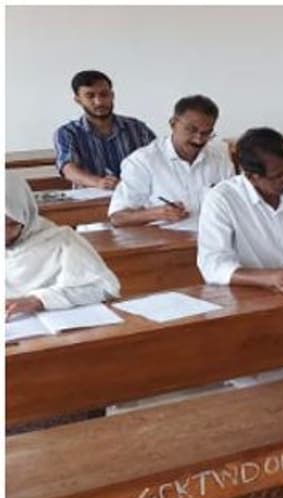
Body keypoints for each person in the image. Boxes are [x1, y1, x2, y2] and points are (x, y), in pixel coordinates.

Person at [197, 127, 283, 293]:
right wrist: (269, 278)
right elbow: (213, 266)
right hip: (251, 295)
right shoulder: (222, 199)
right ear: (251, 177)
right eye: (278, 176)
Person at [107, 94, 233, 228]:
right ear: (173, 124)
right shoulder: (143, 161)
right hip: (167, 242)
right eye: (191, 130)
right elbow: (118, 218)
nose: (198, 139)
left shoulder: (219, 157)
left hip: (215, 237)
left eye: (206, 133)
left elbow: (233, 203)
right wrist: (157, 213)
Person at [7, 173, 120, 318]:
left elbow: (105, 288)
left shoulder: (61, 241)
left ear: (26, 214)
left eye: (10, 223)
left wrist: (39, 300)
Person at [53, 70, 156, 190]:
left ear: (112, 95)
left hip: (136, 196)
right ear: (78, 100)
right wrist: (99, 182)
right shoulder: (67, 133)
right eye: (90, 96)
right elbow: (68, 169)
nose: (99, 102)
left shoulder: (137, 129)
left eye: (104, 94)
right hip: (91, 200)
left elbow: (159, 159)